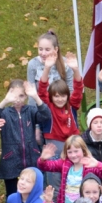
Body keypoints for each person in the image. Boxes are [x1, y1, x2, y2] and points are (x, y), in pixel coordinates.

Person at [0, 79, 51, 197]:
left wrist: (36, 97)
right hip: (10, 161)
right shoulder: (4, 113)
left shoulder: (31, 111)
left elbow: (46, 116)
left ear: (26, 96)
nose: (18, 99)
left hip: (31, 159)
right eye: (14, 96)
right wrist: (5, 101)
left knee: (33, 194)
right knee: (12, 195)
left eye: (21, 95)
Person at [37, 50, 83, 190]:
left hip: (72, 144)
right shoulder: (48, 106)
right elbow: (42, 90)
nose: (60, 99)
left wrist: (75, 70)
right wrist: (47, 68)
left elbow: (79, 89)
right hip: (54, 145)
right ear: (51, 97)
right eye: (56, 96)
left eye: (63, 96)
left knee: (73, 179)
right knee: (55, 181)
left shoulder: (72, 105)